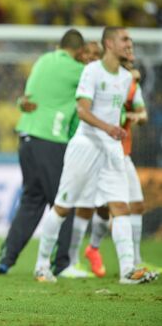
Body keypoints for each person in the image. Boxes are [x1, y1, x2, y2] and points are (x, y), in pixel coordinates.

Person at [33, 27, 153, 284]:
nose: (130, 44)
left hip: (111, 149)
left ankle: (128, 270)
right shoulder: (92, 71)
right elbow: (83, 111)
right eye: (125, 39)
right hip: (86, 145)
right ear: (109, 43)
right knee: (63, 206)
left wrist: (124, 123)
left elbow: (128, 111)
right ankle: (42, 265)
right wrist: (109, 127)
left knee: (120, 206)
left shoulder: (125, 78)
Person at [0, 29, 85, 276]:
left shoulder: (43, 60)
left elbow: (26, 99)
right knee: (63, 200)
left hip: (26, 136)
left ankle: (6, 258)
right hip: (50, 138)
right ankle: (62, 263)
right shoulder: (78, 70)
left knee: (32, 200)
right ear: (78, 51)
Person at [82, 49, 161, 277]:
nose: (130, 59)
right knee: (105, 208)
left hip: (121, 153)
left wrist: (137, 116)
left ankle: (134, 261)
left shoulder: (129, 83)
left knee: (134, 205)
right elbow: (95, 113)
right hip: (98, 151)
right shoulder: (99, 81)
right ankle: (93, 249)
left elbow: (142, 113)